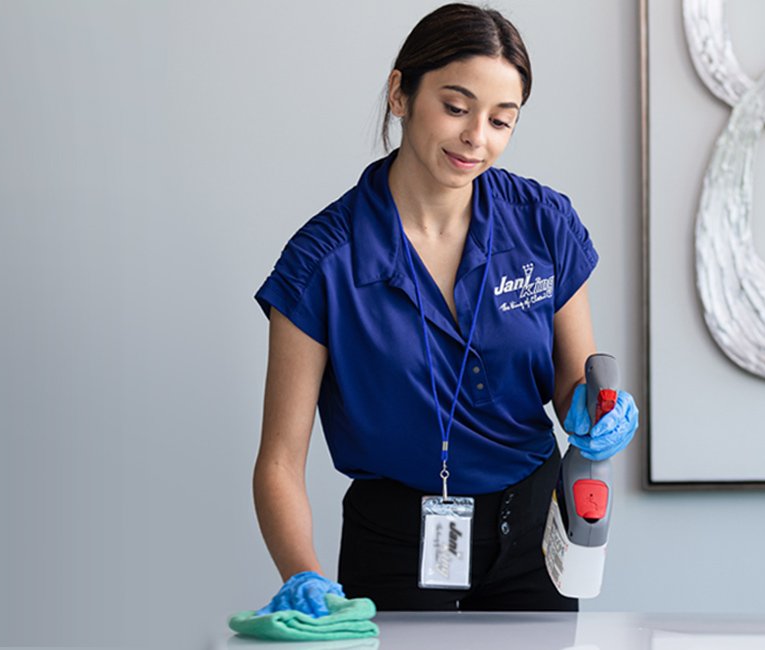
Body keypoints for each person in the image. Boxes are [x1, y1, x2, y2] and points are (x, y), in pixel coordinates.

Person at [250, 3, 638, 615]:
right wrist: (304, 573)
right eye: (456, 108)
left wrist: (594, 412)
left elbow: (574, 385)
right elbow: (278, 461)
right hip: (395, 547)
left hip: (535, 537)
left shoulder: (543, 225)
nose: (477, 137)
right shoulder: (322, 262)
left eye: (501, 120)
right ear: (399, 93)